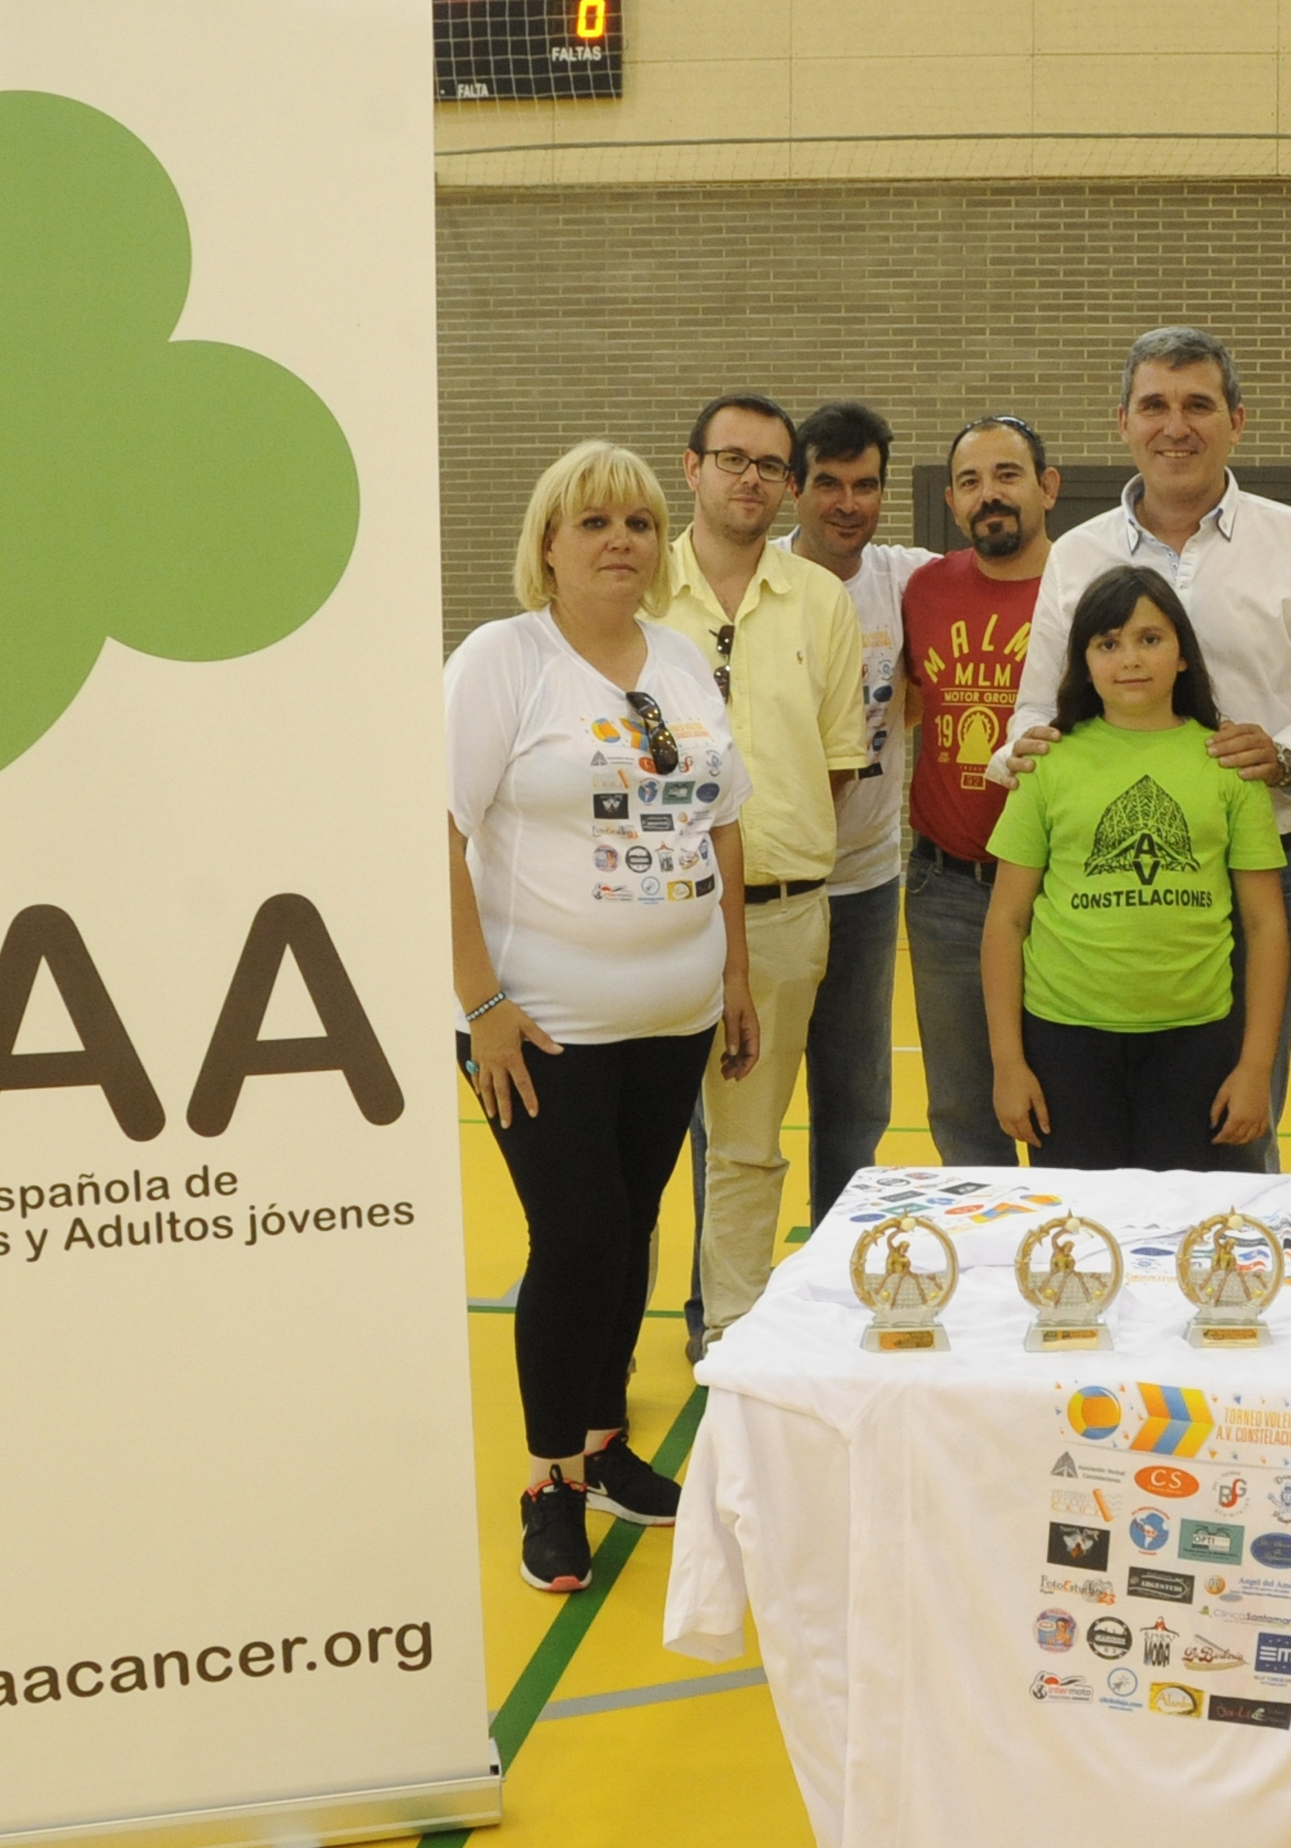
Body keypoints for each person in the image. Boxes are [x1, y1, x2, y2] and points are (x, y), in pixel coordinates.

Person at [446, 440, 763, 1595]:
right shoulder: (502, 661)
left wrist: (729, 975)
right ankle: (548, 1482)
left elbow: (718, 818)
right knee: (574, 1238)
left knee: (627, 1235)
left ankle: (601, 1448)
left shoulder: (680, 660)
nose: (620, 541)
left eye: (637, 521)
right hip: (543, 1025)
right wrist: (480, 1004)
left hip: (674, 1014)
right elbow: (432, 829)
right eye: (593, 524)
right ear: (548, 544)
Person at [994, 327, 1291, 1172]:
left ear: (1235, 420)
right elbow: (1033, 706)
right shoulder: (1078, 554)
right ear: (1122, 422)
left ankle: (1223, 1297)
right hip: (1099, 892)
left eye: (1198, 405)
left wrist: (1278, 755)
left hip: (1262, 871)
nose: (1176, 426)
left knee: (1237, 1126)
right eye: (1155, 405)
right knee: (1092, 1148)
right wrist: (1034, 757)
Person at [652, 394, 865, 1359]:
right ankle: (604, 1354)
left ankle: (730, 1338)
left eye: (770, 466)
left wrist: (759, 856)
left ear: (789, 485)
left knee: (745, 1145)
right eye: (731, 458)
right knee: (628, 1156)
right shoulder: (636, 586)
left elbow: (834, 761)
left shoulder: (821, 599)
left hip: (781, 919)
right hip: (639, 917)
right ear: (691, 467)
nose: (750, 478)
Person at [981, 566, 1288, 1170]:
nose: (1130, 658)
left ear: (1182, 656)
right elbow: (1006, 922)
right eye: (1108, 642)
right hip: (1065, 1038)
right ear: (1083, 661)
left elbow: (1267, 925)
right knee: (1082, 1234)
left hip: (1195, 1039)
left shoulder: (1227, 763)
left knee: (1186, 1236)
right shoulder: (1048, 763)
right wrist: (1009, 1064)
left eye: (1150, 639)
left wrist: (1255, 1069)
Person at [777, 402, 934, 1222]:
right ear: (794, 488)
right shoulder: (755, 580)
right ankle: (720, 1299)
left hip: (867, 883)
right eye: (829, 484)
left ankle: (836, 1288)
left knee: (856, 1099)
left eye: (866, 485)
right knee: (736, 1110)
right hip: (760, 888)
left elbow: (1026, 579)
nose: (848, 503)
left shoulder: (909, 579)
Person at [900, 415, 1061, 1168]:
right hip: (950, 890)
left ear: (1047, 487)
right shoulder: (924, 589)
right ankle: (988, 1278)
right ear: (952, 500)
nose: (989, 494)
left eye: (1007, 475)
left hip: (1067, 890)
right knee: (966, 1115)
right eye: (971, 481)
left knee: (1071, 1103)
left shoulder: (1087, 587)